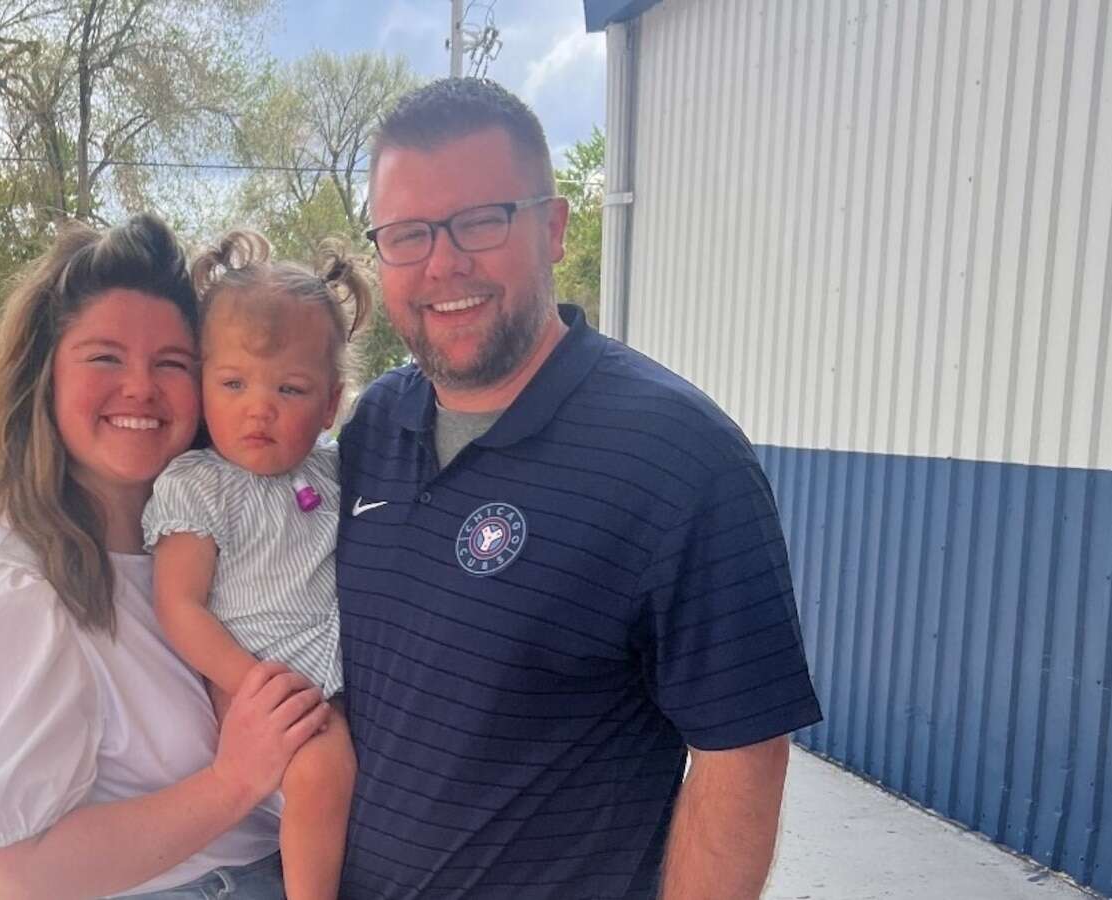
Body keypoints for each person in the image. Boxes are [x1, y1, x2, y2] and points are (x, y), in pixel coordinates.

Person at [337, 78, 824, 899]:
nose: (442, 262)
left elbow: (741, 757)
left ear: (554, 228)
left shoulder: (679, 455)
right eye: (408, 233)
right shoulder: (373, 428)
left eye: (481, 220)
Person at [0, 214, 328, 900]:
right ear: (46, 378)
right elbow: (27, 873)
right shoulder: (13, 591)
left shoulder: (209, 538)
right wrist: (235, 780)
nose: (140, 388)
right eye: (105, 357)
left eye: (172, 365)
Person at [143, 232, 370, 900]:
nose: (258, 406)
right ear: (203, 382)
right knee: (322, 766)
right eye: (233, 383)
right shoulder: (199, 484)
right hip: (246, 673)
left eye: (290, 388)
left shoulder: (332, 470)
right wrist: (251, 683)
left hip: (326, 671)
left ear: (330, 404)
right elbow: (178, 604)